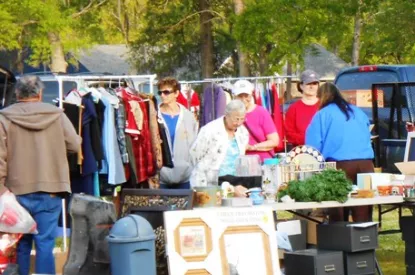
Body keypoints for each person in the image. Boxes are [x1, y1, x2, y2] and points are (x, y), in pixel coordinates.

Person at [0, 75, 81, 275]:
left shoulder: (4, 117)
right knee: (45, 244)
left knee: (20, 245)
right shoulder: (57, 115)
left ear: (17, 93)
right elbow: (74, 144)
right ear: (41, 93)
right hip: (50, 188)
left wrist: (2, 189)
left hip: (16, 191)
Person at [306, 82, 374, 222]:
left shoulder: (322, 114)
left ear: (322, 97)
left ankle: (340, 239)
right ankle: (364, 239)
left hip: (339, 166)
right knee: (363, 204)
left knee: (338, 206)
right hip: (366, 164)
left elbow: (312, 147)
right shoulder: (358, 112)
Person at [190, 100, 250, 197]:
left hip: (234, 182)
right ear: (226, 115)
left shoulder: (243, 132)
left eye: (242, 119)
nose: (238, 123)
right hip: (209, 182)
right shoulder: (209, 130)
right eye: (236, 119)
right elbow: (194, 155)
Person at [157, 77, 198, 189]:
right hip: (161, 177)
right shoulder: (154, 116)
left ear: (176, 93)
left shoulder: (188, 117)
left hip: (185, 176)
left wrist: (191, 167)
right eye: (160, 92)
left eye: (166, 92)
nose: (162, 95)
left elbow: (195, 146)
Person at [233, 80, 279, 163]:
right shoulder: (230, 114)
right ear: (234, 97)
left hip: (262, 162)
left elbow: (274, 141)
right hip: (239, 163)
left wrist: (252, 147)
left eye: (246, 96)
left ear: (251, 95)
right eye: (240, 96)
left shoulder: (261, 112)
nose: (243, 99)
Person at [285, 70, 320, 147]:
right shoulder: (293, 109)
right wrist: (309, 139)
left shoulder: (325, 106)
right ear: (301, 86)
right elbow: (289, 133)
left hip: (324, 151)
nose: (311, 86)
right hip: (302, 152)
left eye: (314, 83)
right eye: (308, 83)